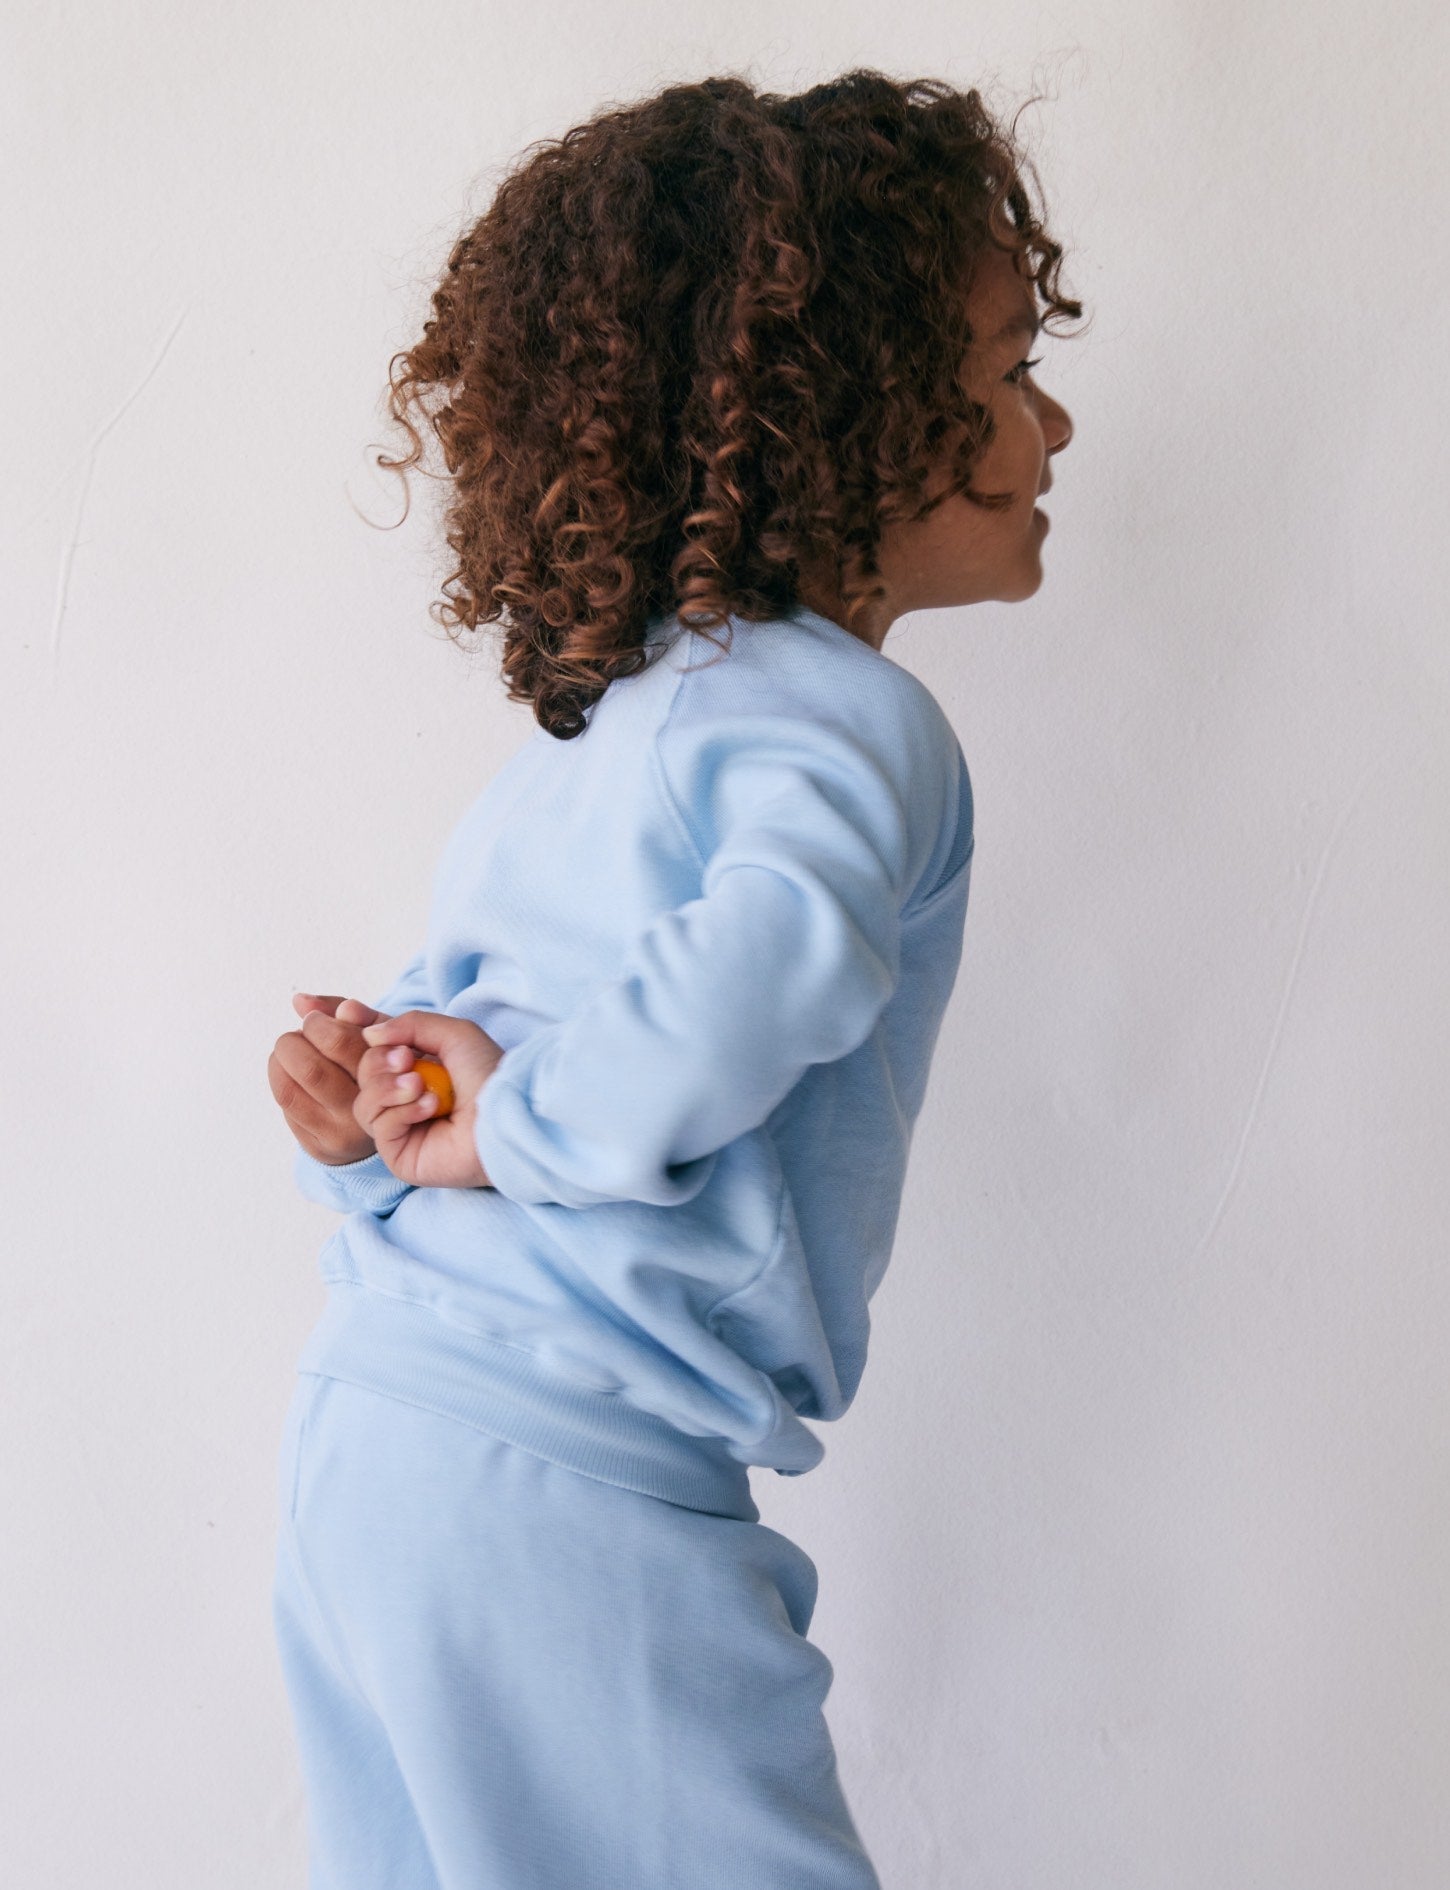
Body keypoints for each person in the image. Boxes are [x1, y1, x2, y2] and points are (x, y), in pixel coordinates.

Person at [265, 67, 1077, 1890]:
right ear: (846, 419)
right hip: (569, 1484)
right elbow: (761, 969)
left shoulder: (592, 735)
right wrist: (516, 1122)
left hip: (375, 1433)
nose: (1053, 420)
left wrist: (373, 1120)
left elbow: (460, 1064)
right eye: (1007, 371)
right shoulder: (857, 720)